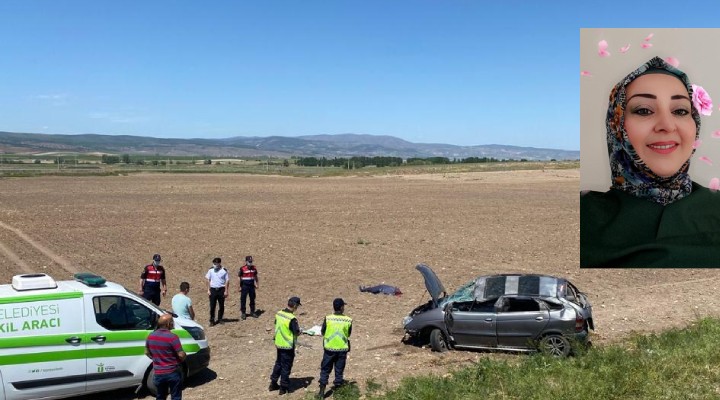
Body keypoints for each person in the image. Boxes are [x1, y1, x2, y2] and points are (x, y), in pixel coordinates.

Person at [581, 56, 720, 267]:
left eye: (680, 111)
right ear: (616, 125)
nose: (667, 125)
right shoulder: (582, 214)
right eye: (644, 110)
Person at [317, 298, 352, 399]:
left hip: (329, 349)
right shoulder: (348, 320)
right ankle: (338, 392)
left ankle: (321, 392)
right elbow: (349, 334)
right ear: (341, 307)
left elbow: (323, 332)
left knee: (325, 370)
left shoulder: (328, 318)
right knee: (339, 370)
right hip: (342, 349)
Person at [145, 313, 186, 400]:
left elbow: (147, 353)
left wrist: (157, 359)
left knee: (160, 395)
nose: (173, 323)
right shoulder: (172, 337)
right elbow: (181, 355)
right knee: (176, 396)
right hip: (172, 372)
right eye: (172, 321)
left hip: (158, 373)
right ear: (168, 324)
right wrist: (183, 357)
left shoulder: (150, 336)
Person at [269, 296, 302, 395]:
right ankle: (283, 388)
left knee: (278, 363)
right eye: (297, 306)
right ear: (295, 306)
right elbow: (296, 332)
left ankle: (273, 383)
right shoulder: (292, 318)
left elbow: (277, 325)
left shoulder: (279, 313)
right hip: (287, 346)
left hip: (279, 344)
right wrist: (300, 331)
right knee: (286, 366)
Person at [205, 257, 229, 326]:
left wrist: (226, 291)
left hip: (221, 289)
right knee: (212, 306)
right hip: (213, 290)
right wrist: (208, 290)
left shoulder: (224, 270)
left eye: (216, 264)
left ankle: (220, 319)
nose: (215, 265)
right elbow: (208, 280)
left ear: (219, 264)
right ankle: (212, 320)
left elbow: (227, 281)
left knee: (221, 306)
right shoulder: (211, 270)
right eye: (214, 264)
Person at [238, 255, 259, 320]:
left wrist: (257, 284)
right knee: (243, 299)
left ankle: (252, 312)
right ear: (246, 261)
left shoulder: (254, 268)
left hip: (251, 286)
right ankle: (243, 313)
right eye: (249, 261)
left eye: (251, 261)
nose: (250, 262)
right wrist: (239, 286)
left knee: (252, 299)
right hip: (244, 286)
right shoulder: (242, 268)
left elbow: (255, 276)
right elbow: (239, 277)